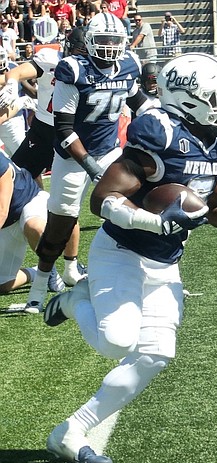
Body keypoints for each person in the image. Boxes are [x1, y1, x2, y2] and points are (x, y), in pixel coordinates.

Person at [42, 52, 217, 463]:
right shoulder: (160, 133)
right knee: (116, 340)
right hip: (121, 251)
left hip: (165, 262)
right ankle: (73, 300)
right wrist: (154, 223)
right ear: (189, 99)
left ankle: (72, 431)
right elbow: (102, 200)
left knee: (156, 354)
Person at [21, 12, 150, 314]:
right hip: (72, 157)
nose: (108, 46)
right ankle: (39, 288)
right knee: (60, 225)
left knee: (135, 209)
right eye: (102, 40)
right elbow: (64, 129)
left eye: (114, 41)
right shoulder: (74, 70)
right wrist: (91, 167)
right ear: (89, 43)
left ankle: (140, 277)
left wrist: (158, 116)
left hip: (109, 151)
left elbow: (137, 99)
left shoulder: (129, 65)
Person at [0, 26, 90, 287]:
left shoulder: (96, 68)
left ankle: (71, 265)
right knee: (15, 184)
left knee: (68, 204)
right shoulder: (51, 58)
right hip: (42, 132)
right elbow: (15, 72)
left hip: (73, 136)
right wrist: (14, 82)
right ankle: (28, 233)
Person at [0, 147, 65, 295]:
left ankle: (48, 268)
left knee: (34, 226)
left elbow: (2, 210)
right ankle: (35, 273)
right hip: (7, 224)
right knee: (2, 285)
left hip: (29, 202)